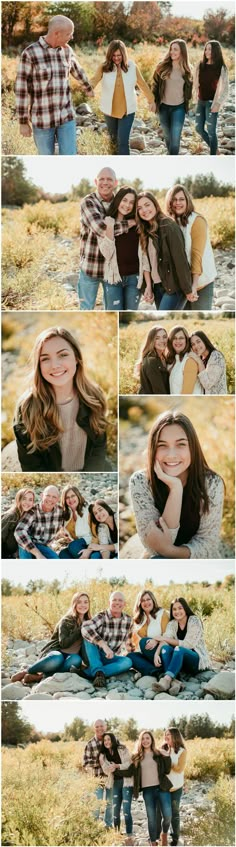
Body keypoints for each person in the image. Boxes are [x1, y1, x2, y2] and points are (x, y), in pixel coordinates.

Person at [130, 410, 224, 559]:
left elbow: (208, 543)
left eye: (181, 444)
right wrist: (175, 489)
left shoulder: (211, 483)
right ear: (153, 449)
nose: (171, 454)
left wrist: (170, 552)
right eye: (162, 445)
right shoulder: (140, 482)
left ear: (192, 447)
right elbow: (154, 545)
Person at [13, 327, 109, 472]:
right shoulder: (27, 406)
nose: (55, 365)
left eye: (63, 355)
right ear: (38, 365)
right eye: (45, 358)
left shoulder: (94, 396)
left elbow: (99, 447)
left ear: (76, 358)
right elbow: (31, 465)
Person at [15, 15, 94, 155]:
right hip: (42, 121)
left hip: (66, 116)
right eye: (69, 34)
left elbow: (77, 70)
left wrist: (88, 87)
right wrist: (23, 122)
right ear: (56, 34)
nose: (71, 37)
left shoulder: (67, 50)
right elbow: (22, 89)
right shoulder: (30, 53)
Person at [78, 168, 136, 310]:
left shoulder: (121, 202)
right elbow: (101, 229)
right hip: (90, 267)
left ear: (115, 183)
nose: (105, 182)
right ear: (95, 181)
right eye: (101, 179)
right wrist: (130, 223)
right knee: (86, 308)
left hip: (111, 270)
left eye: (109, 179)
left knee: (110, 310)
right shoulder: (88, 202)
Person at [90, 39, 155, 155]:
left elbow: (143, 84)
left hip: (127, 110)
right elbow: (94, 80)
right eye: (113, 55)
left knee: (123, 142)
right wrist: (89, 88)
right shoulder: (104, 67)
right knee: (113, 141)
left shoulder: (132, 67)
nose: (116, 58)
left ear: (124, 54)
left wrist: (151, 100)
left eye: (119, 55)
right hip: (109, 110)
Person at [11, 591, 91, 684]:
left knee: (76, 660)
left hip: (71, 656)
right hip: (56, 652)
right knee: (57, 658)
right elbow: (64, 643)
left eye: (86, 602)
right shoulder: (66, 620)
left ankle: (41, 677)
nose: (83, 605)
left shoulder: (90, 622)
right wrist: (80, 629)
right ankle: (27, 671)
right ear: (74, 604)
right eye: (79, 602)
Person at [136, 192, 195, 310]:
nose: (144, 210)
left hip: (174, 287)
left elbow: (180, 260)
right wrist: (148, 286)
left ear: (155, 205)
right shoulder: (145, 231)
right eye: (139, 208)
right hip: (158, 286)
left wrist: (188, 290)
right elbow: (146, 263)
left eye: (147, 205)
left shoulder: (168, 225)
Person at [165, 184, 216, 310]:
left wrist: (193, 286)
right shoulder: (171, 222)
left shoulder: (197, 220)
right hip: (183, 283)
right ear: (169, 202)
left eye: (181, 199)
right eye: (174, 199)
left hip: (201, 282)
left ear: (187, 200)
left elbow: (196, 255)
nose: (178, 203)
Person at [154, 597, 211, 693]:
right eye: (174, 609)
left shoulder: (194, 620)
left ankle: (166, 680)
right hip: (181, 663)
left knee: (178, 649)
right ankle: (175, 682)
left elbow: (188, 644)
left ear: (185, 608)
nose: (177, 611)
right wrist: (156, 653)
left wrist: (163, 638)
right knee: (165, 648)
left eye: (180, 608)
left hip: (196, 661)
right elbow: (165, 640)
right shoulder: (172, 624)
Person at [99, 187, 141, 311]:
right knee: (114, 311)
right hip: (113, 278)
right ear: (118, 200)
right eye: (124, 200)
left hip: (134, 278)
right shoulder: (107, 221)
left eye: (131, 202)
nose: (127, 205)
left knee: (130, 311)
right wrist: (110, 228)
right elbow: (106, 253)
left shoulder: (137, 223)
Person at [81, 591, 133, 688]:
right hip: (95, 655)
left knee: (128, 662)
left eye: (120, 600)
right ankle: (98, 672)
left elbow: (128, 643)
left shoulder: (128, 620)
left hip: (109, 657)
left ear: (124, 604)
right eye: (114, 600)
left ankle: (92, 673)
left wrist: (128, 654)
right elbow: (85, 628)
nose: (117, 602)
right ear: (109, 603)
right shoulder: (102, 616)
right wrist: (103, 645)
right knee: (88, 638)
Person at [132, 730, 172, 846]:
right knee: (152, 818)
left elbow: (167, 770)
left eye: (147, 738)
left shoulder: (158, 754)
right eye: (143, 738)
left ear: (151, 740)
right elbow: (131, 772)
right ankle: (153, 842)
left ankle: (164, 834)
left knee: (168, 815)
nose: (145, 741)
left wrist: (167, 757)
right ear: (140, 741)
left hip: (161, 788)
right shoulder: (137, 757)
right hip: (147, 791)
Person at [153, 40, 193, 155]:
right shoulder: (162, 67)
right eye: (171, 49)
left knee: (175, 140)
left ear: (182, 52)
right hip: (163, 107)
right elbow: (155, 85)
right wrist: (153, 102)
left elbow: (190, 91)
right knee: (167, 137)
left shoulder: (187, 70)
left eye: (175, 49)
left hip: (179, 108)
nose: (172, 52)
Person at [194, 40, 229, 155]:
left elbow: (225, 89)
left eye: (210, 49)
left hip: (211, 103)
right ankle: (215, 149)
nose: (207, 51)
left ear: (216, 51)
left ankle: (213, 154)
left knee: (211, 132)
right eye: (206, 49)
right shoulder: (200, 65)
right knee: (198, 128)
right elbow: (194, 82)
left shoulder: (221, 68)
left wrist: (218, 103)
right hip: (200, 101)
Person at [58, 485, 111, 559]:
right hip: (80, 545)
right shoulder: (66, 515)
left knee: (74, 546)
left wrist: (88, 551)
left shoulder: (89, 509)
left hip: (94, 543)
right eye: (67, 497)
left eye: (73, 496)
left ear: (78, 496)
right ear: (64, 500)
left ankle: (90, 558)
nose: (70, 499)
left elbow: (96, 535)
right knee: (63, 554)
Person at [99, 732, 134, 845]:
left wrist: (117, 766)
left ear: (113, 740)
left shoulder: (122, 748)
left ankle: (129, 835)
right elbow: (106, 770)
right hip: (114, 783)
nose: (107, 742)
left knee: (127, 811)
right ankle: (117, 834)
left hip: (126, 782)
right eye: (105, 741)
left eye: (109, 739)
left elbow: (129, 763)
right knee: (115, 810)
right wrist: (103, 762)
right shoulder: (103, 755)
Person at [14, 485, 63, 559]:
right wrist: (38, 554)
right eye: (48, 495)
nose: (50, 499)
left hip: (44, 546)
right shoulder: (33, 511)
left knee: (56, 561)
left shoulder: (61, 511)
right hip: (28, 543)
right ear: (41, 495)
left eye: (54, 497)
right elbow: (19, 531)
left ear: (58, 499)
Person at [128, 590, 169, 677]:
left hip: (163, 651)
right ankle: (156, 672)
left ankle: (162, 668)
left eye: (148, 599)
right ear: (139, 603)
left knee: (144, 642)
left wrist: (156, 640)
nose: (146, 602)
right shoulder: (139, 620)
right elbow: (134, 643)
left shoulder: (162, 614)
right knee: (131, 656)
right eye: (143, 600)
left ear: (153, 600)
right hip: (148, 653)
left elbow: (168, 636)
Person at [83, 719, 113, 830]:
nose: (99, 728)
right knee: (96, 803)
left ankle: (108, 825)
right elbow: (85, 763)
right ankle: (93, 827)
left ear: (105, 727)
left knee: (110, 803)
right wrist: (100, 761)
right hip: (97, 779)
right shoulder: (90, 744)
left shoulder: (111, 740)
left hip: (111, 778)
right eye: (97, 727)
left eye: (101, 726)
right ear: (93, 728)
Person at [161, 727, 187, 846]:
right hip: (164, 787)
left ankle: (175, 838)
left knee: (175, 814)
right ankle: (163, 836)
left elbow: (179, 768)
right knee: (166, 814)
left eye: (168, 735)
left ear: (175, 736)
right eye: (165, 734)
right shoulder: (163, 748)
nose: (166, 737)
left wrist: (167, 762)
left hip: (176, 787)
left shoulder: (182, 751)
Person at [167, 325, 203, 395]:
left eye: (181, 338)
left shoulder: (190, 361)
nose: (178, 341)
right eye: (174, 338)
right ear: (171, 341)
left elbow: (186, 394)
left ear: (186, 341)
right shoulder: (174, 361)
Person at [135, 326, 170, 395]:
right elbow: (159, 392)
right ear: (151, 340)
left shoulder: (163, 357)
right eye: (157, 338)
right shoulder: (151, 361)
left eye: (164, 337)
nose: (162, 340)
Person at [2, 487, 35, 558]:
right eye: (24, 499)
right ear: (18, 499)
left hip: (15, 553)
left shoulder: (28, 516)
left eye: (30, 500)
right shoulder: (11, 516)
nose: (27, 502)